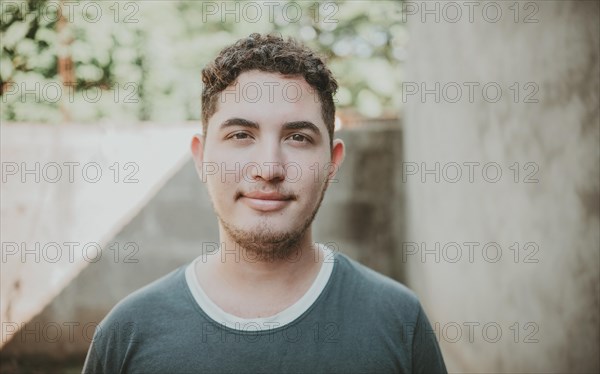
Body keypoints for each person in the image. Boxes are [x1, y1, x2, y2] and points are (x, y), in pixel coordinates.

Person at [82, 33, 447, 374]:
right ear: (201, 158)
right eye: (241, 135)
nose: (269, 168)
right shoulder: (127, 335)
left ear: (332, 163)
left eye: (299, 137)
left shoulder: (399, 322)